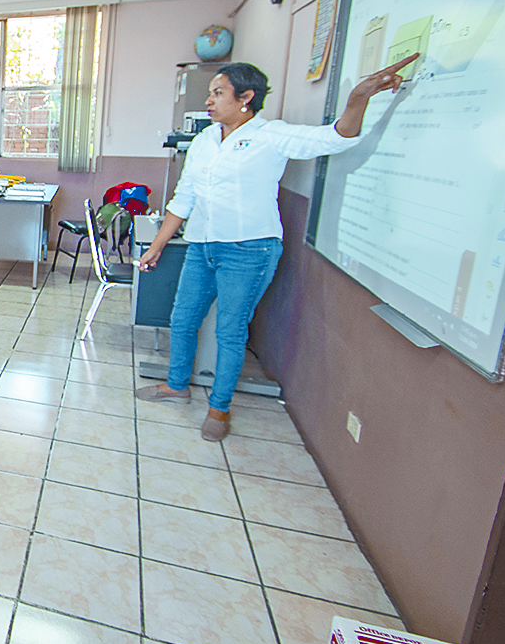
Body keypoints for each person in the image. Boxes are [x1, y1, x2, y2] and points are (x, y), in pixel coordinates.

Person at [135, 56, 418, 441]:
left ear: (246, 97)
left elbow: (335, 138)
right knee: (183, 319)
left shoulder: (271, 135)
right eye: (210, 94)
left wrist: (357, 101)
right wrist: (158, 246)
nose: (210, 100)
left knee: (230, 331)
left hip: (249, 250)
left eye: (218, 93)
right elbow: (184, 198)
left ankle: (218, 409)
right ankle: (176, 385)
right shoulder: (203, 141)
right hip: (201, 246)